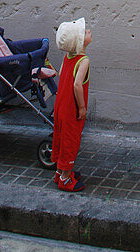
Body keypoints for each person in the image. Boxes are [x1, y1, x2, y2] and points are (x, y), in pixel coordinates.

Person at [52, 17, 91, 192]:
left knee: (61, 137)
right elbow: (77, 85)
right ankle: (65, 180)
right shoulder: (83, 61)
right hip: (71, 108)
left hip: (60, 104)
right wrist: (82, 107)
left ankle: (59, 171)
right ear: (80, 42)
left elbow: (61, 74)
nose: (88, 32)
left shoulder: (68, 57)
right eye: (85, 32)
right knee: (71, 140)